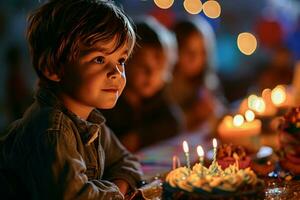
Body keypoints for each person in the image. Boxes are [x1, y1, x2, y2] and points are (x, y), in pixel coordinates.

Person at [0, 0, 143, 199]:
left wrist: (116, 185)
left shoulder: (91, 121)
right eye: (99, 59)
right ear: (53, 68)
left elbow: (128, 162)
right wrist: (117, 191)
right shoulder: (52, 129)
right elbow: (74, 196)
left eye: (121, 60)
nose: (116, 73)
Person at [102, 17, 183, 152]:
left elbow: (174, 123)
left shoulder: (156, 100)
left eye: (159, 68)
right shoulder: (110, 101)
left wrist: (140, 137)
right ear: (125, 63)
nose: (150, 75)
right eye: (142, 66)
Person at [168, 17, 226, 131]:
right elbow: (165, 126)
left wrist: (216, 109)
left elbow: (222, 110)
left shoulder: (208, 82)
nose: (197, 59)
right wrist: (194, 115)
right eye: (191, 53)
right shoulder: (166, 85)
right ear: (175, 52)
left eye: (203, 52)